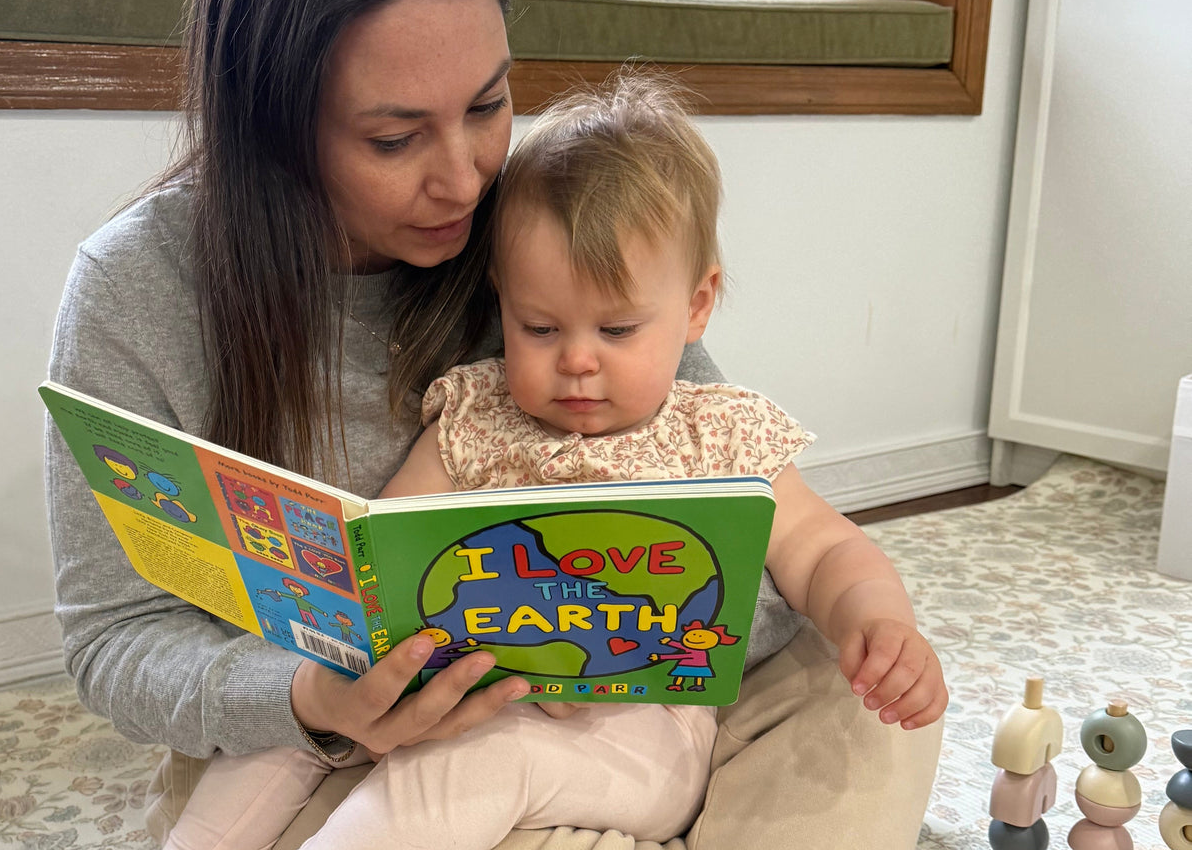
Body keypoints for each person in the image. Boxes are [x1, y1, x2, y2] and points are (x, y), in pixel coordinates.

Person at [43, 0, 944, 850]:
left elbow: (769, 559)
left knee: (876, 696)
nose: (467, 178)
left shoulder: (547, 219)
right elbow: (120, 642)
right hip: (344, 738)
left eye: (488, 105)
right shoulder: (134, 290)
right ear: (271, 121)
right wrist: (312, 694)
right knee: (386, 781)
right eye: (393, 138)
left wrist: (621, 646)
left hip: (602, 727)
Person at [193, 73, 948, 849]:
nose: (578, 362)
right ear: (500, 300)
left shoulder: (717, 432)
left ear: (695, 307)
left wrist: (878, 623)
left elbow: (822, 548)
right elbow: (387, 544)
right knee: (283, 730)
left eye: (617, 330)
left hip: (640, 733)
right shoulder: (475, 418)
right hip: (463, 692)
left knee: (471, 764)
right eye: (540, 328)